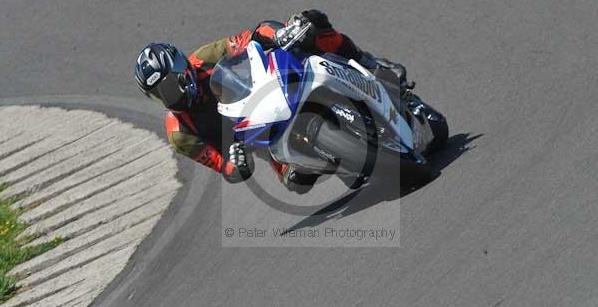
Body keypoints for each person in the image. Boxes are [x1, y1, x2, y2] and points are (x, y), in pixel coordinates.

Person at [134, 10, 408, 193]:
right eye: (160, 93)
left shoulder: (203, 58)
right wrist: (236, 165)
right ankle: (338, 156)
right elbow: (223, 167)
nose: (171, 95)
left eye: (169, 85)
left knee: (310, 23)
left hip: (269, 93)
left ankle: (367, 62)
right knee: (296, 183)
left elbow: (251, 36)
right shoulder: (180, 134)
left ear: (182, 69)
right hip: (259, 139)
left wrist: (280, 35)